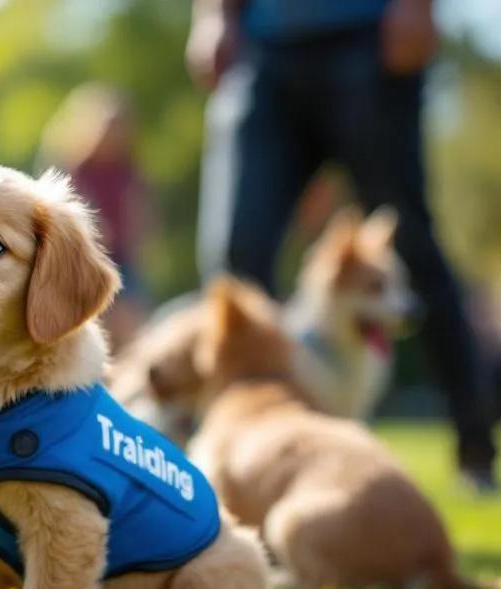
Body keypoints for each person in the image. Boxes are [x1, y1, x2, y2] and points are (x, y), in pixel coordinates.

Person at [187, 0, 497, 491]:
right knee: (236, 259)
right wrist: (214, 15)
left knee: (411, 247)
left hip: (368, 36)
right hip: (263, 46)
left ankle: (475, 449)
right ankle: (237, 455)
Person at [36, 84, 155, 352]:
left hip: (122, 256)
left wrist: (141, 235)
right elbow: (67, 207)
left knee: (131, 323)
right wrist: (95, 230)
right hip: (86, 254)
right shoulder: (75, 168)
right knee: (93, 320)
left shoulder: (128, 168)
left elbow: (140, 208)